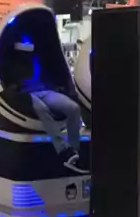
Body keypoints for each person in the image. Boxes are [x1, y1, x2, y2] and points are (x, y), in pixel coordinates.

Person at [14, 40, 88, 174]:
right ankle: (63, 150)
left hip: (45, 91)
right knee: (42, 110)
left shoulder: (39, 58)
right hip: (27, 93)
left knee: (73, 108)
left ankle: (74, 151)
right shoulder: (13, 62)